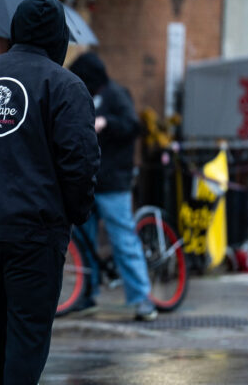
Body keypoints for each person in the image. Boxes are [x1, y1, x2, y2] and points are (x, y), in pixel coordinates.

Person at [0, 0, 100, 385]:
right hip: (36, 233)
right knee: (26, 343)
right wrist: (73, 213)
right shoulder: (65, 85)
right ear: (59, 37)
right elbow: (79, 163)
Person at [68, 52, 158, 321]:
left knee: (123, 240)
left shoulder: (117, 95)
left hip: (113, 182)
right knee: (85, 240)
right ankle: (87, 293)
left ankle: (142, 298)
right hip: (89, 180)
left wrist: (107, 123)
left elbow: (133, 126)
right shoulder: (84, 96)